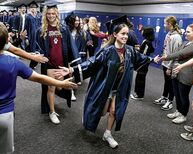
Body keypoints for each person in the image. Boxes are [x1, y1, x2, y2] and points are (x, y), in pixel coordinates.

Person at [55, 15, 159, 148]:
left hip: (120, 87)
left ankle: (108, 133)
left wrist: (152, 60)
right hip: (106, 86)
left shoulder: (130, 51)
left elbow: (141, 57)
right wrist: (71, 70)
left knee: (115, 111)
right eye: (122, 34)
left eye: (127, 34)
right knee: (102, 111)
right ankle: (88, 116)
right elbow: (91, 63)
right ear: (115, 34)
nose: (125, 36)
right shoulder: (107, 51)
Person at [0, 23, 77, 154]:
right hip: (5, 115)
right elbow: (40, 78)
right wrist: (61, 84)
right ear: (7, 40)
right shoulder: (14, 63)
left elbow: (17, 50)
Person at [36, 4, 81, 124]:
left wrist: (71, 64)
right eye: (48, 14)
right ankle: (51, 111)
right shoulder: (42, 30)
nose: (51, 16)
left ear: (57, 14)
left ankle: (53, 100)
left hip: (62, 64)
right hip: (50, 64)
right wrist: (39, 57)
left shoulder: (63, 29)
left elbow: (70, 47)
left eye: (53, 13)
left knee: (60, 87)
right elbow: (39, 47)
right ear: (45, 15)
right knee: (51, 87)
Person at [158, 23, 193, 124]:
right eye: (185, 31)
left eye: (188, 32)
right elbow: (176, 55)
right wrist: (169, 67)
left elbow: (179, 54)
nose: (185, 34)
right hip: (176, 72)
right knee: (177, 94)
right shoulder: (185, 43)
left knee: (183, 96)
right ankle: (178, 111)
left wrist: (164, 57)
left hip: (186, 74)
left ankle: (183, 115)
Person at [154, 16, 182, 111]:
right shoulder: (168, 34)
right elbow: (166, 49)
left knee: (171, 84)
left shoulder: (177, 37)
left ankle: (170, 101)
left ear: (169, 24)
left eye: (165, 23)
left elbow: (176, 54)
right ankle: (164, 97)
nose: (163, 25)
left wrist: (170, 67)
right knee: (167, 82)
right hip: (166, 63)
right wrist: (162, 58)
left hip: (171, 65)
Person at [130, 27, 155, 100]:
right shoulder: (146, 41)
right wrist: (140, 48)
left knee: (140, 79)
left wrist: (138, 51)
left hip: (143, 63)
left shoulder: (147, 42)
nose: (141, 31)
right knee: (139, 78)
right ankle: (137, 93)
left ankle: (140, 95)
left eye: (143, 30)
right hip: (143, 63)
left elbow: (143, 54)